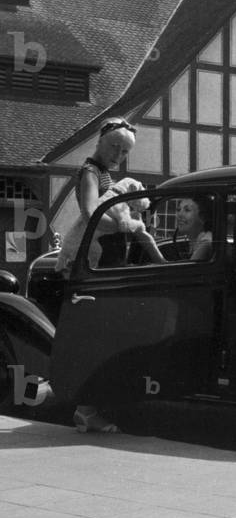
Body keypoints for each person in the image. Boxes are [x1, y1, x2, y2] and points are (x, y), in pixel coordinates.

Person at [68, 118, 137, 433]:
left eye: (123, 151)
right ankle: (85, 409)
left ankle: (92, 406)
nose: (118, 154)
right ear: (101, 142)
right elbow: (90, 212)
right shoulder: (90, 172)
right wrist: (125, 225)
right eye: (114, 147)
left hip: (109, 263)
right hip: (98, 264)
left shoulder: (104, 172)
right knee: (95, 337)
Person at [144, 197, 213, 263]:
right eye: (178, 209)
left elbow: (183, 274)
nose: (180, 214)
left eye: (187, 210)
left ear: (203, 217)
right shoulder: (197, 240)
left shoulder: (206, 243)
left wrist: (149, 242)